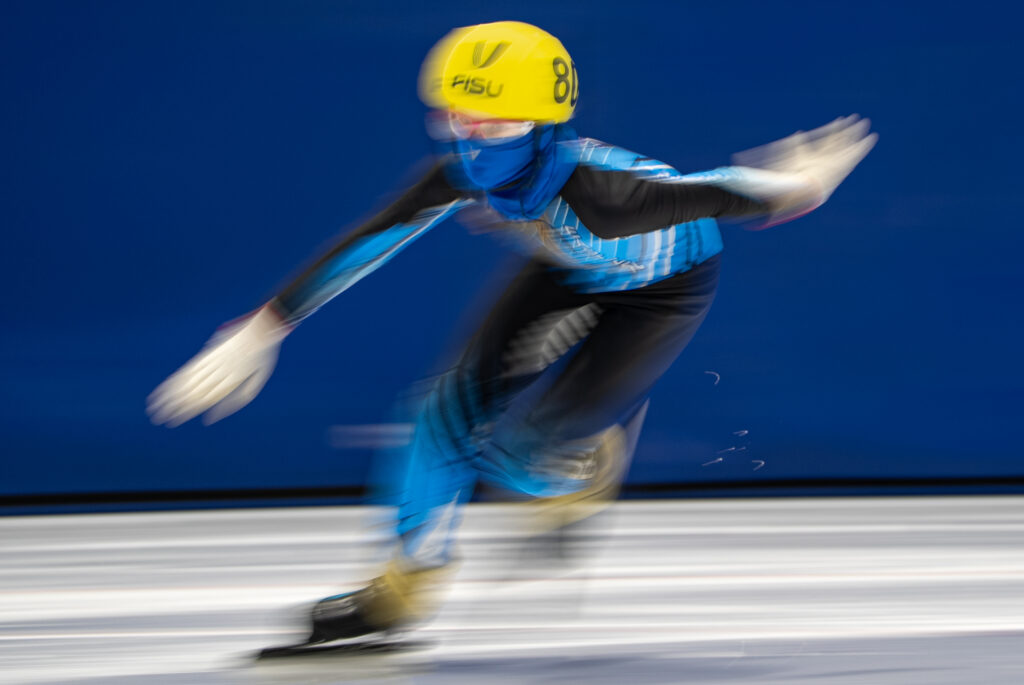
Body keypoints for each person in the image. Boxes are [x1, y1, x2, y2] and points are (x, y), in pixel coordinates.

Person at [147, 21, 876, 645]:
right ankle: (399, 588)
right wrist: (262, 328)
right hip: (565, 267)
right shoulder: (465, 173)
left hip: (659, 294)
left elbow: (713, 191)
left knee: (520, 457)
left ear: (543, 124)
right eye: (456, 118)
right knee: (438, 414)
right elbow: (371, 241)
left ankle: (584, 466)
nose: (470, 140)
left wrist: (799, 186)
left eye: (492, 123)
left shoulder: (603, 197)